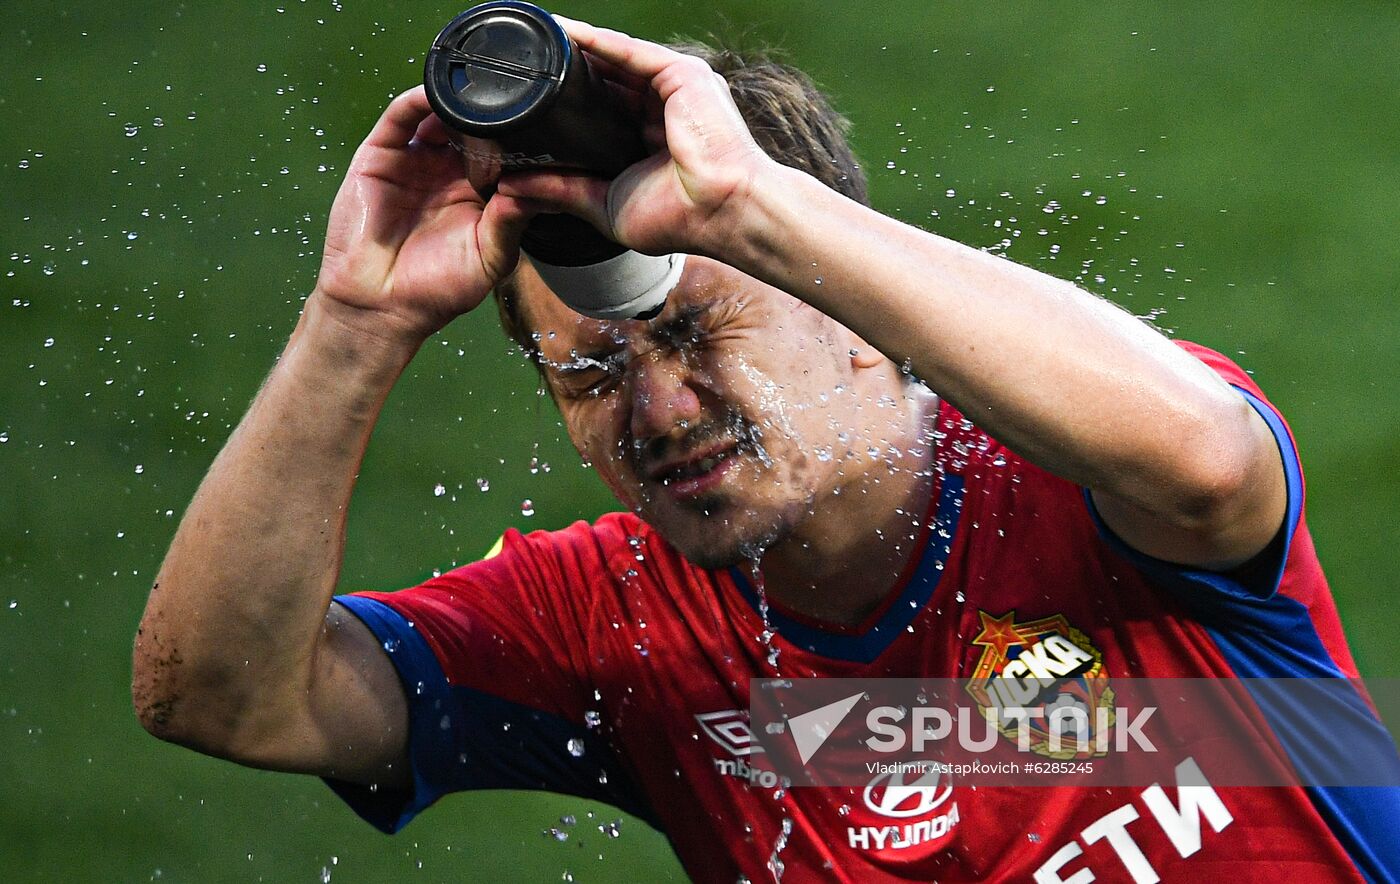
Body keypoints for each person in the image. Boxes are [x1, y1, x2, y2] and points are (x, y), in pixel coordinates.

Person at [132, 15, 1399, 883]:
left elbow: (1207, 458)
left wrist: (742, 202)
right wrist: (357, 326)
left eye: (695, 331)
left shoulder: (1072, 453)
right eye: (593, 371)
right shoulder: (612, 623)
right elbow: (222, 695)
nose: (664, 412)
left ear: (853, 311)